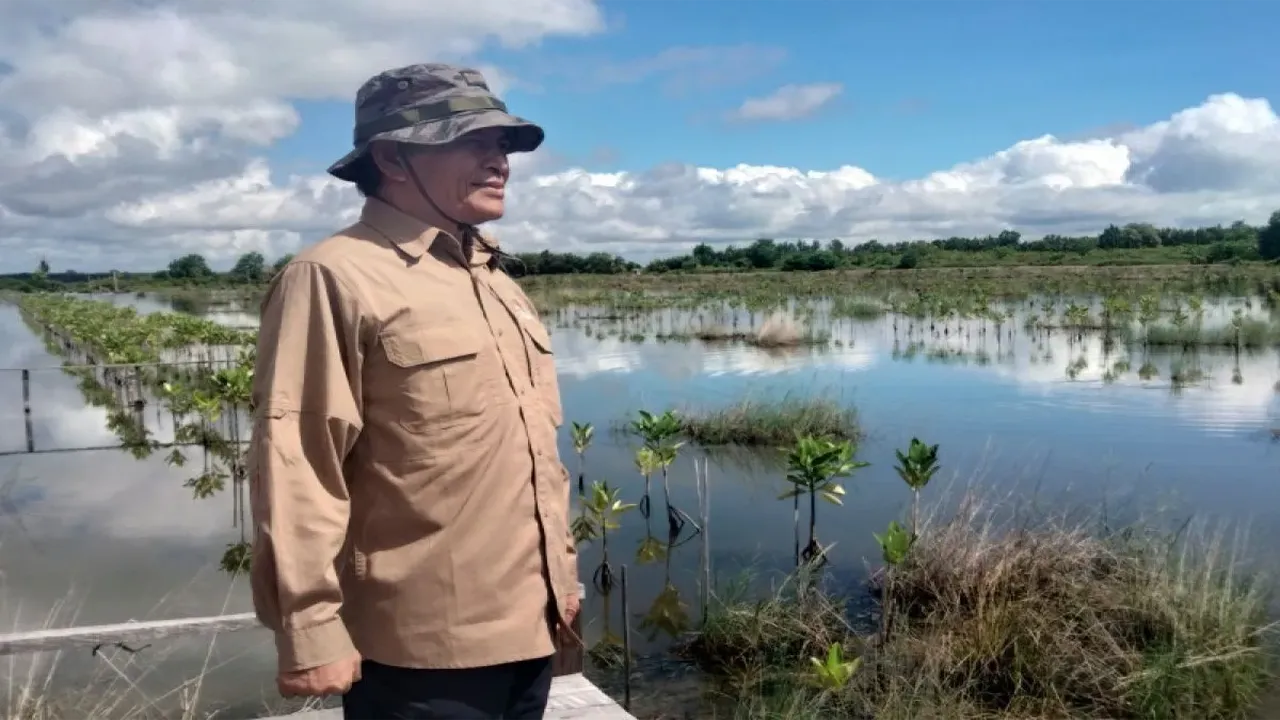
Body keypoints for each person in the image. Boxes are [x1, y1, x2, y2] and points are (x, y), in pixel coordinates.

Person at [247, 63, 580, 720]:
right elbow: (298, 463)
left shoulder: (493, 277)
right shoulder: (332, 277)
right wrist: (309, 630)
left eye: (504, 145)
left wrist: (562, 580)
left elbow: (534, 455)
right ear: (393, 157)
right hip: (420, 651)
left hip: (531, 626)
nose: (500, 161)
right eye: (473, 141)